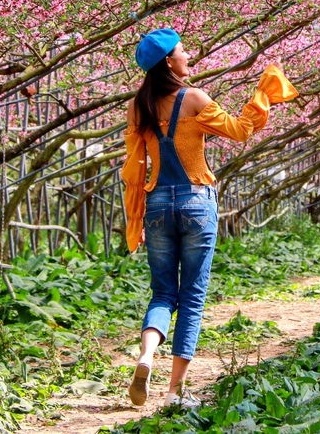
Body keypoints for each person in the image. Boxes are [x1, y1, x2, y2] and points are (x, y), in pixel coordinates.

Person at [120, 28, 298, 408]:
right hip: (197, 202)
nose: (189, 56)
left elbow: (137, 159)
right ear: (168, 62)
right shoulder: (194, 99)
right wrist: (264, 92)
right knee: (193, 296)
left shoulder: (139, 106)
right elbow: (239, 130)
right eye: (183, 51)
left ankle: (146, 356)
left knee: (163, 292)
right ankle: (174, 392)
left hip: (156, 206)